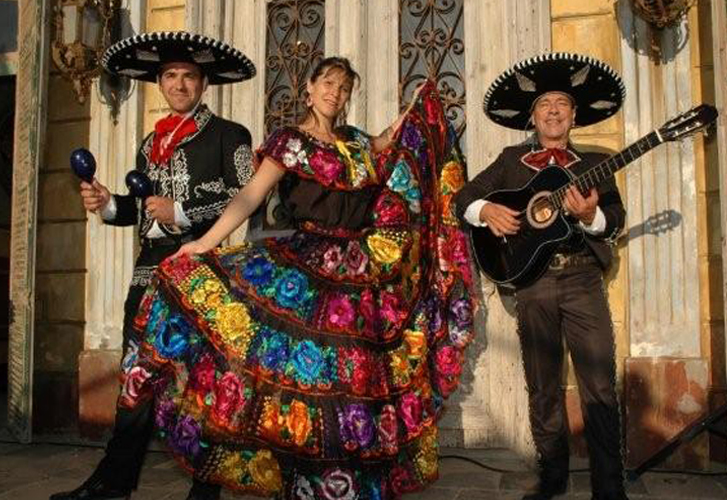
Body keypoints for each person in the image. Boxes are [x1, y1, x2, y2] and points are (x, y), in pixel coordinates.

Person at [116, 58, 475, 499]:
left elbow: (389, 141)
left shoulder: (355, 143)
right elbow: (249, 196)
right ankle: (304, 484)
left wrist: (419, 108)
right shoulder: (290, 143)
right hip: (307, 275)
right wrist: (205, 245)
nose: (335, 93)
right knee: (309, 382)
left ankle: (344, 486)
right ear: (309, 89)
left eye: (344, 88)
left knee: (353, 384)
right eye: (328, 83)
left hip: (360, 283)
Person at [55, 31, 256, 500]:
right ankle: (114, 480)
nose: (179, 84)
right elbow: (143, 209)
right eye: (170, 76)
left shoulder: (232, 135)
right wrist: (108, 205)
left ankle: (206, 490)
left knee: (204, 383)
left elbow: (248, 197)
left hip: (204, 278)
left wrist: (183, 211)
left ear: (204, 83)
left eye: (189, 76)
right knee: (135, 380)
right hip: (147, 278)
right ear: (159, 83)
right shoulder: (150, 143)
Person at [454, 53, 628, 500]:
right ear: (533, 116)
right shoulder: (512, 160)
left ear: (573, 116)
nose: (553, 110)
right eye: (544, 104)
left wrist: (590, 217)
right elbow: (464, 198)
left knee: (599, 382)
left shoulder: (593, 164)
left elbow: (615, 218)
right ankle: (553, 477)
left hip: (583, 279)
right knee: (543, 383)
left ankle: (610, 487)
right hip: (533, 282)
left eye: (562, 104)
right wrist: (486, 209)